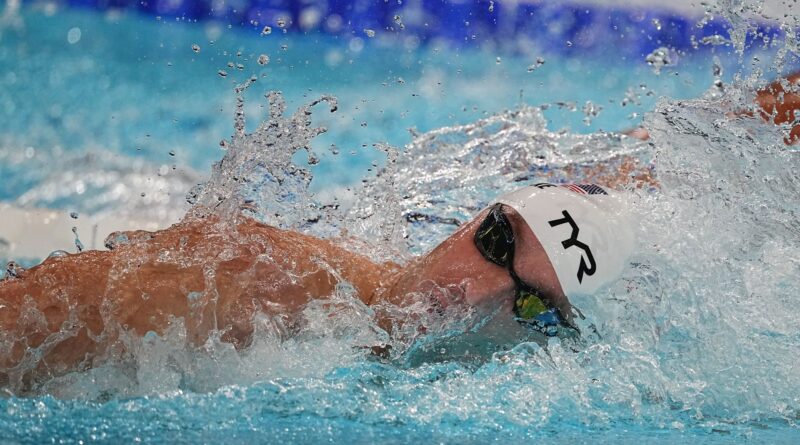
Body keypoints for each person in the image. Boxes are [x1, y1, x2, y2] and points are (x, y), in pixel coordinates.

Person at [0, 70, 797, 389]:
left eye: (526, 306)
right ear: (474, 215)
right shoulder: (258, 283)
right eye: (493, 242)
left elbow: (687, 165)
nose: (470, 293)